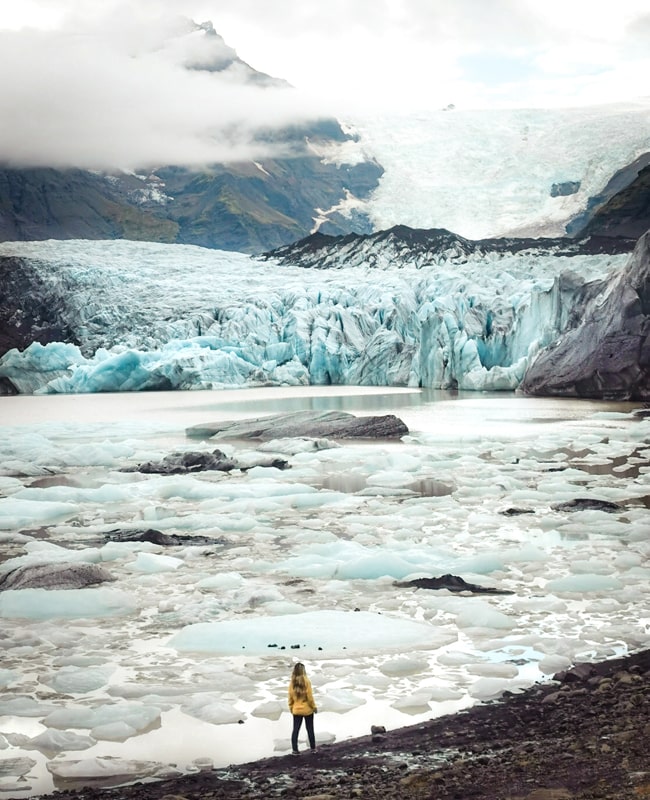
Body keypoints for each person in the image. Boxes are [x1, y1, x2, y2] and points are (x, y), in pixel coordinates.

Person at [288, 662, 317, 754]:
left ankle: (295, 750)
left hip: (296, 710)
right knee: (310, 729)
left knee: (295, 730)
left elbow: (290, 697)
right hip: (307, 710)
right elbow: (310, 697)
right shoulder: (306, 681)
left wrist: (291, 708)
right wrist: (314, 707)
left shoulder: (292, 683)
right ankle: (313, 749)